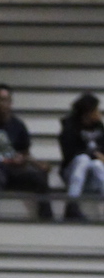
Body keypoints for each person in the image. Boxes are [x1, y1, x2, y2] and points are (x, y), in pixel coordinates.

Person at [0, 85, 53, 220]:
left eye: (6, 100)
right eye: (0, 100)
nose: (3, 104)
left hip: (14, 171)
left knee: (40, 176)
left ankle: (47, 218)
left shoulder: (18, 125)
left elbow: (25, 153)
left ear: (11, 103)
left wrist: (37, 164)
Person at [59, 92, 104, 220]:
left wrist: (97, 157)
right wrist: (94, 154)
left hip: (92, 177)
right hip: (73, 173)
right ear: (88, 113)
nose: (99, 113)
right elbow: (69, 155)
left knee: (98, 165)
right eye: (96, 110)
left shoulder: (100, 127)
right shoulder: (69, 128)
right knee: (83, 160)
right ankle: (71, 205)